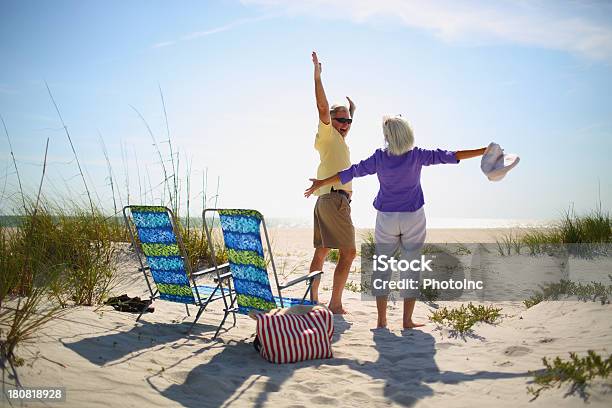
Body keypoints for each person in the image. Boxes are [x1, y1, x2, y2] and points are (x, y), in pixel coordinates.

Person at [305, 115, 486, 328]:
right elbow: (453, 156)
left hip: (386, 218)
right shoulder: (417, 155)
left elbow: (350, 173)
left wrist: (322, 183)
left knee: (383, 267)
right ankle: (406, 321)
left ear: (387, 137)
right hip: (413, 217)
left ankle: (382, 321)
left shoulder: (380, 158)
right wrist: (483, 151)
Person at [308, 51, 357, 314]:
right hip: (334, 199)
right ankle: (335, 304)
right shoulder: (327, 134)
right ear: (331, 121)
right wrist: (317, 75)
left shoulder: (339, 139)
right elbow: (323, 108)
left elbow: (344, 122)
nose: (346, 124)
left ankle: (313, 297)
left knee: (323, 250)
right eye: (341, 120)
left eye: (349, 121)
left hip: (327, 198)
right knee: (348, 253)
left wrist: (352, 112)